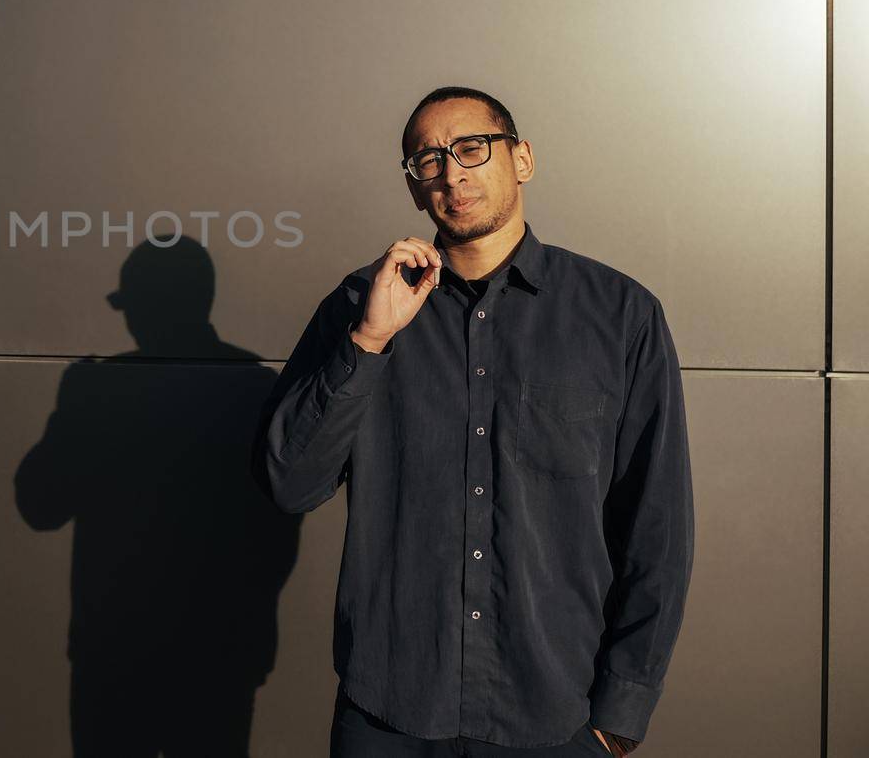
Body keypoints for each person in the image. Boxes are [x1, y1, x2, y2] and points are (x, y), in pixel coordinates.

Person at [251, 87, 693, 757]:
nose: (451, 172)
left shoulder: (621, 315)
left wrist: (618, 717)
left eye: (470, 148)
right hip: (388, 715)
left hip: (557, 718)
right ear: (414, 188)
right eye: (426, 160)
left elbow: (656, 527)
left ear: (521, 159)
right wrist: (368, 343)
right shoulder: (359, 305)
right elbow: (289, 482)